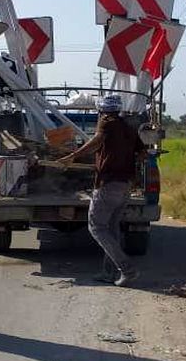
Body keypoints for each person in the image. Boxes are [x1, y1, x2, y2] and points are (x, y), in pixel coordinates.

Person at [59, 94, 146, 287]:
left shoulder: (106, 122)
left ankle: (128, 270)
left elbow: (96, 141)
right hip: (125, 185)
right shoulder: (129, 127)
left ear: (102, 111)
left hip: (108, 184)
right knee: (112, 229)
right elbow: (142, 153)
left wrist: (72, 156)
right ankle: (109, 273)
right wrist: (126, 163)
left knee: (96, 227)